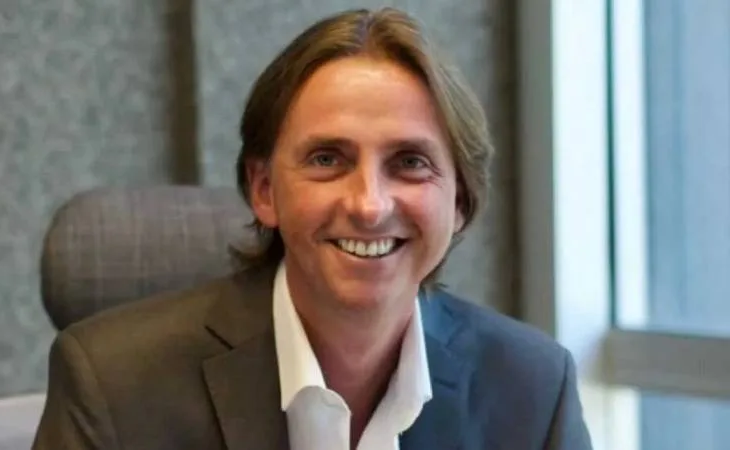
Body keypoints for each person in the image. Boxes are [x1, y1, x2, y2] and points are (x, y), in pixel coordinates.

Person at [32, 7, 592, 450]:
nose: (369, 205)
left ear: (461, 200)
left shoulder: (532, 390)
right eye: (327, 159)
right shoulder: (113, 383)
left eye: (409, 163)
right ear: (264, 190)